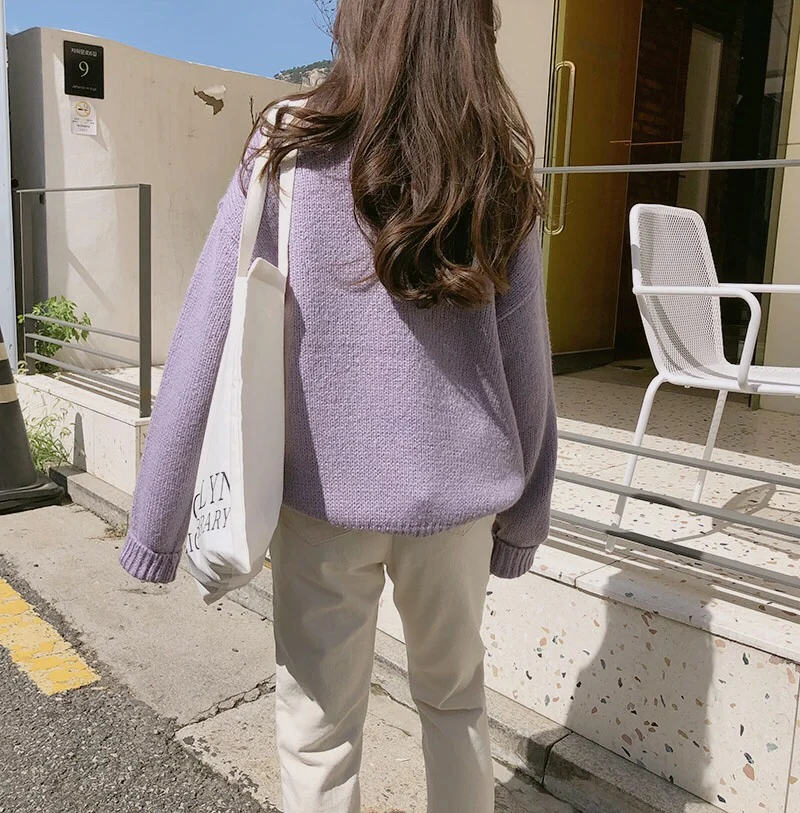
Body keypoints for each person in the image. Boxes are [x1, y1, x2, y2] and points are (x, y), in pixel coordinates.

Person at [120, 0, 557, 810]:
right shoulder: (497, 166)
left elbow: (208, 322)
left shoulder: (290, 144)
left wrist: (157, 522)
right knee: (456, 704)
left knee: (317, 732)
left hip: (322, 496)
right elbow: (527, 366)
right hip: (457, 509)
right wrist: (524, 518)